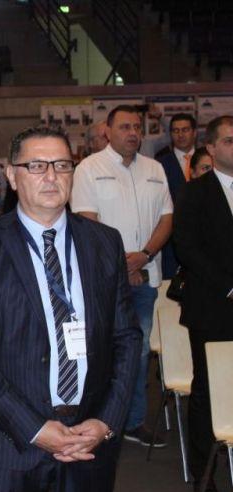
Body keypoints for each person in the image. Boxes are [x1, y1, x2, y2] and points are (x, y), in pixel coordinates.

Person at [0, 126, 140, 492]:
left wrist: (106, 421)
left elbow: (126, 338)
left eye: (62, 165)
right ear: (12, 175)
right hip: (10, 438)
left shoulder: (104, 243)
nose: (51, 176)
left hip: (89, 435)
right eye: (36, 166)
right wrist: (34, 428)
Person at [71, 104, 173, 448]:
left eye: (137, 127)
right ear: (107, 131)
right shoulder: (89, 168)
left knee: (139, 353)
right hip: (105, 280)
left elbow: (167, 219)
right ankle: (99, 422)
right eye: (125, 127)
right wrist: (123, 267)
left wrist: (144, 256)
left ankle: (133, 421)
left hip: (146, 275)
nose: (133, 133)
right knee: (100, 352)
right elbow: (87, 222)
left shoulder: (155, 169)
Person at [173, 115, 233, 492]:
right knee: (208, 391)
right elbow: (187, 247)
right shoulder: (195, 193)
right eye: (229, 141)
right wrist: (229, 285)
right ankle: (204, 473)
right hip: (213, 305)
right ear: (211, 147)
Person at [156, 113, 198, 278]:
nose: (180, 135)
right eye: (176, 131)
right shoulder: (159, 164)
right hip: (172, 239)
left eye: (185, 130)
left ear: (194, 132)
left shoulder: (209, 159)